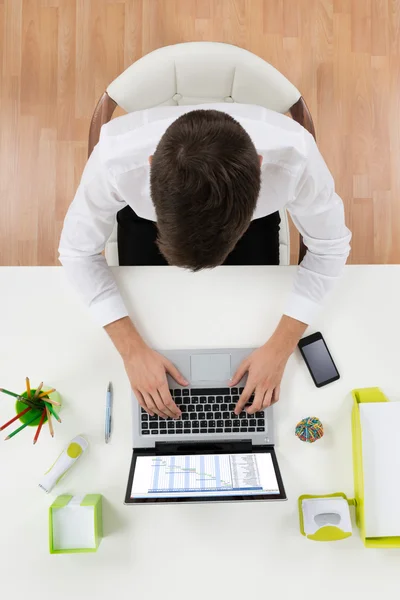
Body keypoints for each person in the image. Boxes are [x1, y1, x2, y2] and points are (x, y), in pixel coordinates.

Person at [59, 103, 351, 419]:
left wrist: (281, 348)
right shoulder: (116, 158)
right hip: (151, 222)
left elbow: (330, 248)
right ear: (150, 165)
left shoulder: (297, 156)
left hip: (249, 220)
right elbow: (77, 252)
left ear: (260, 165)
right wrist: (131, 351)